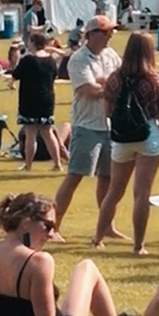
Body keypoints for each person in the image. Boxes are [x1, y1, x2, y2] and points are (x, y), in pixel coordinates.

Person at [0, 192, 121, 316]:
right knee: (87, 267)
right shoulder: (38, 262)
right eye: (48, 226)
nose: (51, 235)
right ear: (25, 222)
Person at [98, 31, 159, 254]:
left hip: (122, 136)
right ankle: (138, 244)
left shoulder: (115, 78)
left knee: (114, 191)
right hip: (148, 135)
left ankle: (98, 237)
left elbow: (107, 111)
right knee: (142, 194)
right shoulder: (154, 79)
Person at [53, 15, 122, 234]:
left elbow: (121, 80)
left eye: (111, 31)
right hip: (86, 126)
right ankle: (53, 226)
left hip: (110, 126)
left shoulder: (111, 55)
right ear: (91, 35)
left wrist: (104, 83)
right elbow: (89, 90)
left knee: (108, 178)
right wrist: (109, 85)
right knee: (75, 176)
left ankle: (107, 226)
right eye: (106, 32)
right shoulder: (78, 59)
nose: (110, 35)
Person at [13, 30, 64, 173]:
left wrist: (11, 83)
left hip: (29, 101)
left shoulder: (28, 60)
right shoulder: (51, 61)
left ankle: (28, 165)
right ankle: (57, 164)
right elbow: (54, 76)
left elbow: (15, 75)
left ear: (33, 43)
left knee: (31, 134)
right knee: (48, 133)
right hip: (47, 100)